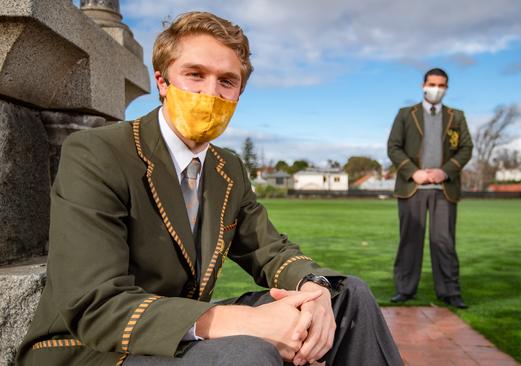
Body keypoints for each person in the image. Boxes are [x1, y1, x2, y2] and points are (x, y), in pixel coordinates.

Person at [18, 12, 402, 366]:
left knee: (346, 296)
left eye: (226, 81)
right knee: (247, 352)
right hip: (92, 348)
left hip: (185, 329)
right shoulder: (98, 152)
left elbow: (268, 249)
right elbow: (94, 305)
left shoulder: (227, 167)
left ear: (238, 94)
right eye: (195, 74)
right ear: (162, 81)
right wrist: (245, 321)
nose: (210, 93)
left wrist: (313, 287)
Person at [387, 68, 473, 308]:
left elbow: (466, 148)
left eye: (441, 85)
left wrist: (444, 171)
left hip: (444, 189)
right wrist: (413, 172)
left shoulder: (457, 116)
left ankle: (450, 292)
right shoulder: (406, 114)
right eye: (432, 84)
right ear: (423, 85)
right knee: (409, 241)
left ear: (446, 88)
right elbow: (393, 147)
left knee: (443, 241)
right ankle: (404, 289)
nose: (436, 89)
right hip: (412, 187)